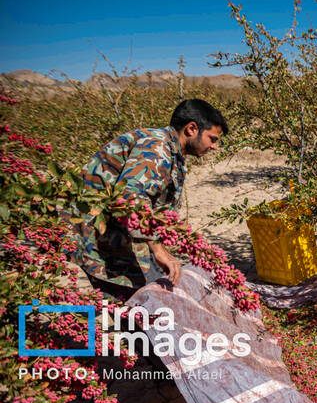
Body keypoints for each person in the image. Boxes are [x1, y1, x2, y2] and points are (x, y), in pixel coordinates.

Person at [67, 99, 227, 300]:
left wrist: (162, 245)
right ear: (192, 129)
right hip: (98, 237)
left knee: (150, 298)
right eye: (212, 138)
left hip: (123, 234)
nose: (214, 146)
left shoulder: (172, 151)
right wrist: (158, 250)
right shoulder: (157, 147)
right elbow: (130, 198)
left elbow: (155, 209)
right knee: (140, 305)